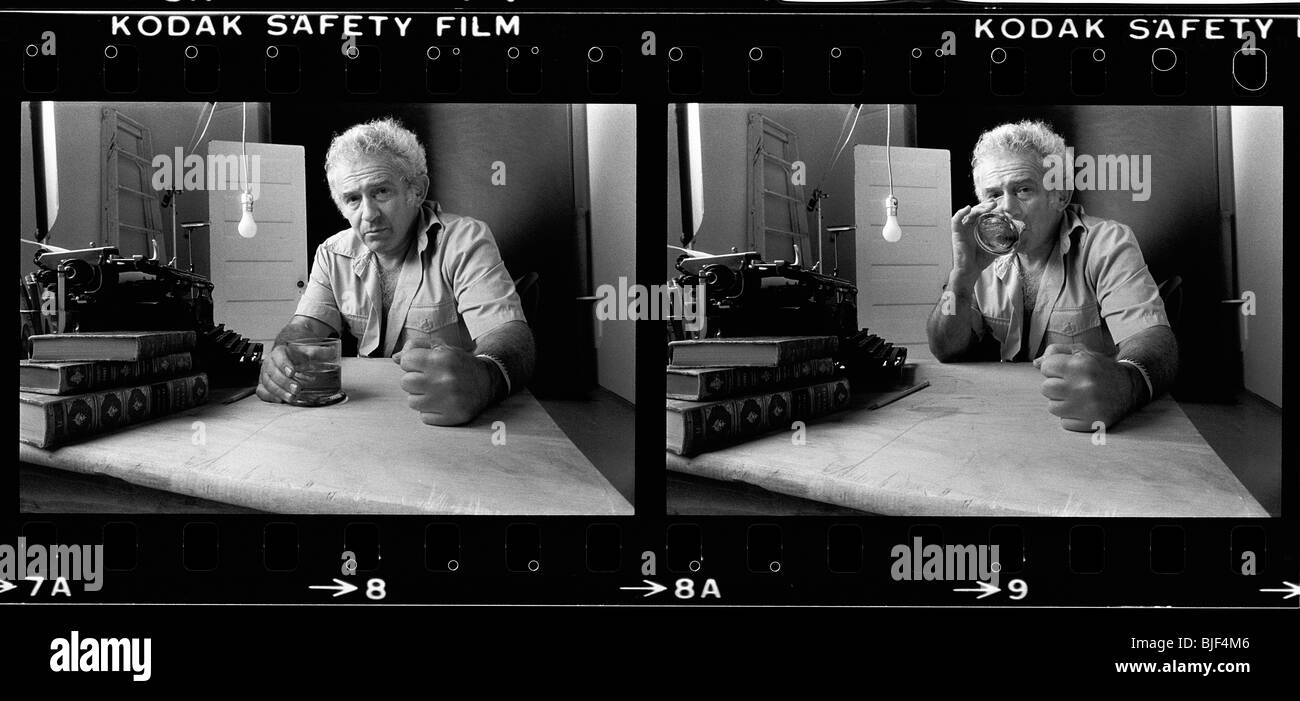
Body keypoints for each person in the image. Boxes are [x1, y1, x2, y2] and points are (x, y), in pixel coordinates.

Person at [257, 118, 535, 425]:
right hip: (368, 418)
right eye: (352, 199)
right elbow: (306, 330)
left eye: (381, 192)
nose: (369, 215)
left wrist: (485, 379)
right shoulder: (332, 253)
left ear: (417, 190)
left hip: (455, 422)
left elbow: (510, 335)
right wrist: (281, 358)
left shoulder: (465, 241)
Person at [926, 119, 1178, 432]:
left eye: (1023, 189)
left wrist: (1125, 384)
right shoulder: (983, 260)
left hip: (1096, 427)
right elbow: (945, 349)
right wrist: (961, 277)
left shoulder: (1107, 243)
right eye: (993, 194)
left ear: (1059, 196)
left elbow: (1155, 341)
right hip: (1014, 422)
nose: (1007, 208)